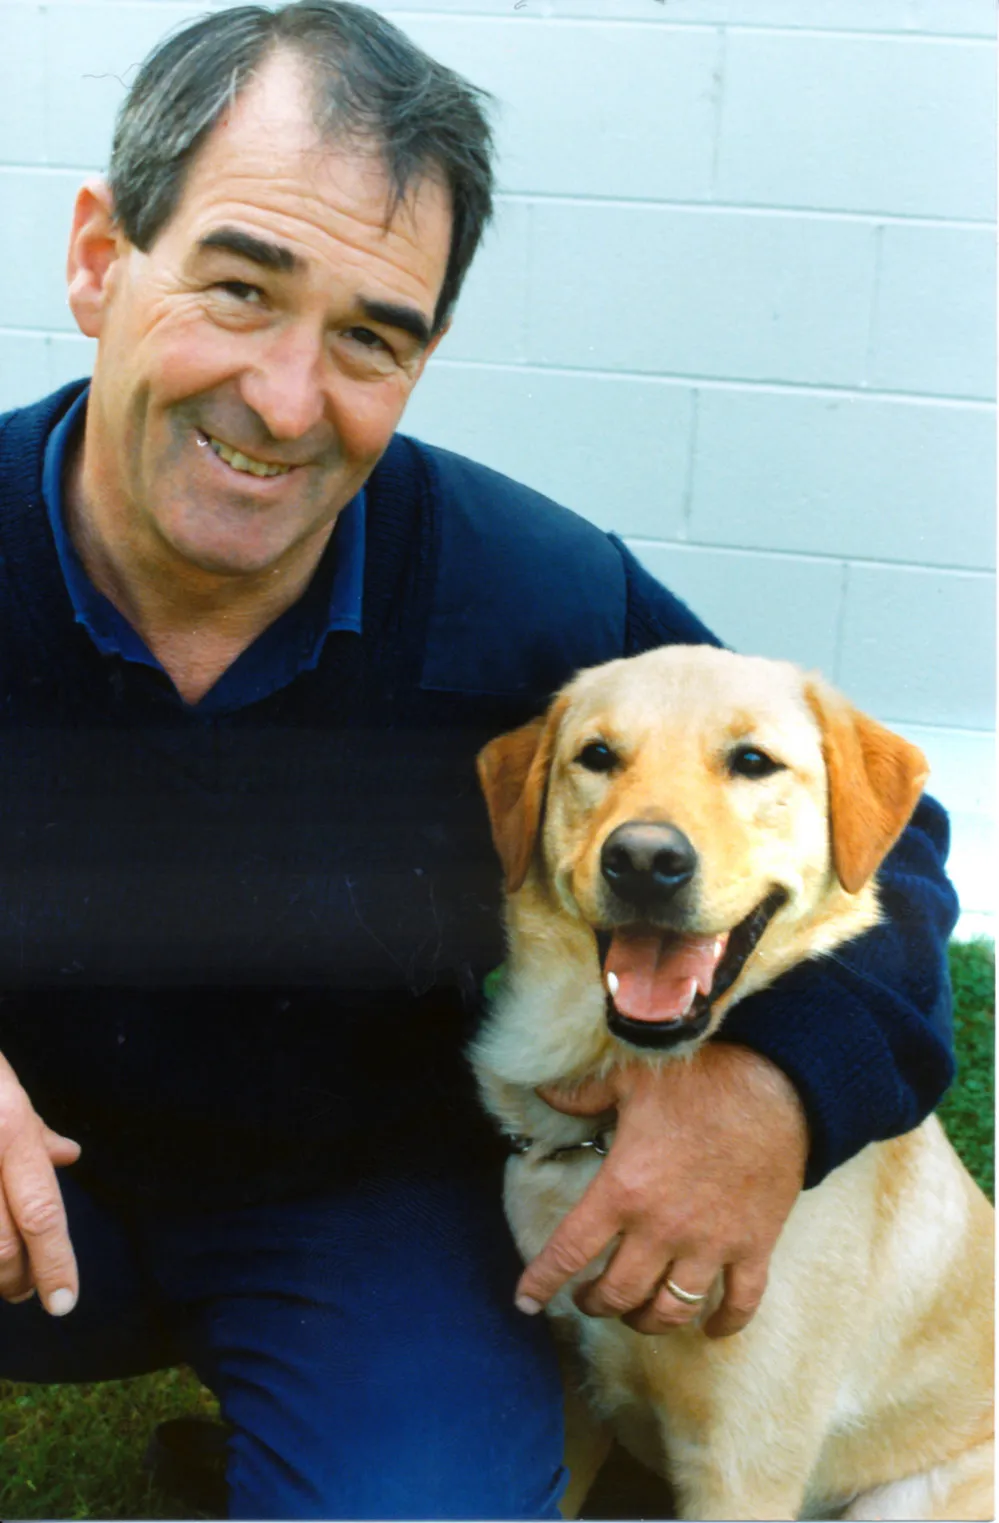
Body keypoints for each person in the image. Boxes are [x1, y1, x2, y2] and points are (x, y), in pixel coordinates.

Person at [0, 4, 958, 1519]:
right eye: (240, 288)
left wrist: (773, 1089)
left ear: (424, 357)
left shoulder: (529, 594)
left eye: (370, 337)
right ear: (100, 258)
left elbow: (886, 839)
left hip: (363, 1219)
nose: (286, 399)